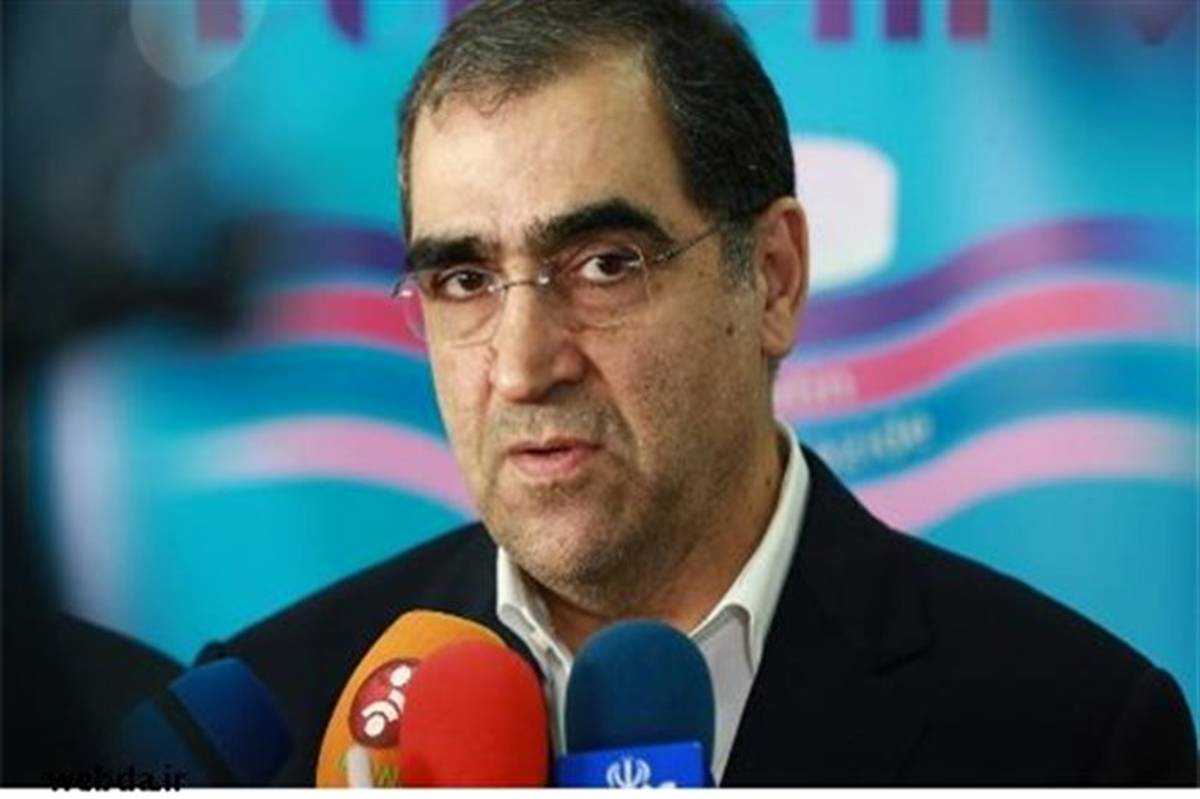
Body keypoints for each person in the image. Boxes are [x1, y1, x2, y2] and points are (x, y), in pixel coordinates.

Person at [199, 0, 1197, 785]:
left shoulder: (1076, 736)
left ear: (772, 278)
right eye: (463, 280)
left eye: (604, 264)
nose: (522, 366)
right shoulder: (271, 721)